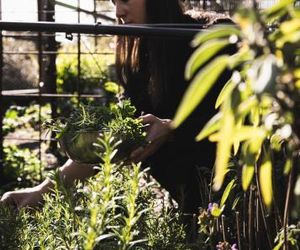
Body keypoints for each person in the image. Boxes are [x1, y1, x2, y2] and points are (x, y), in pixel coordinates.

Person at [0, 0, 233, 214]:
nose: (118, 12)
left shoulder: (215, 36)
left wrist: (173, 128)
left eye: (125, 0)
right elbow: (114, 141)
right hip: (194, 211)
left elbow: (241, 120)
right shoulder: (143, 57)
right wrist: (41, 192)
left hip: (240, 206)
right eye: (113, 2)